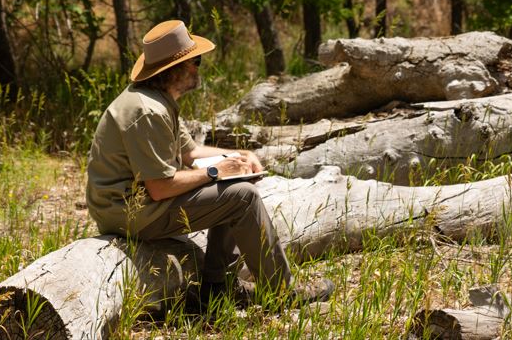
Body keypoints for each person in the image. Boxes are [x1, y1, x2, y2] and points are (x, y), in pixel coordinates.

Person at [85, 19, 333, 307]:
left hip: (136, 203)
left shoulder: (159, 99)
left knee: (236, 183)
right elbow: (160, 188)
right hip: (129, 212)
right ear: (174, 69)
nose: (199, 66)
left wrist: (238, 156)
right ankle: (280, 292)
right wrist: (216, 172)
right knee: (243, 197)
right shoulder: (148, 111)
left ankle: (216, 288)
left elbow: (190, 152)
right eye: (196, 60)